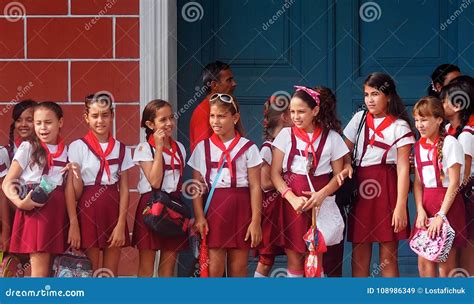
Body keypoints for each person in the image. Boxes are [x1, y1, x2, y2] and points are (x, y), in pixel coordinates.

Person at [340, 73, 414, 277]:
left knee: (388, 258)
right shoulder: (359, 119)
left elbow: (402, 168)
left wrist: (400, 206)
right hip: (361, 190)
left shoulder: (400, 126)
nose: (369, 100)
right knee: (359, 255)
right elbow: (343, 151)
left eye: (375, 94)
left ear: (388, 96)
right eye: (366, 94)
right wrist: (347, 165)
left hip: (388, 188)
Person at [271, 86, 348, 277]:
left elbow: (339, 178)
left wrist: (322, 194)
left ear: (315, 111)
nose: (296, 117)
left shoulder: (332, 138)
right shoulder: (285, 136)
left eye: (301, 112)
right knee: (295, 257)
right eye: (292, 112)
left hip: (320, 204)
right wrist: (292, 198)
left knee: (315, 255)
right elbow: (274, 174)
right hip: (293, 204)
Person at [189, 93, 262, 277]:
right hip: (214, 210)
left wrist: (255, 221)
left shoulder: (248, 147)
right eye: (212, 116)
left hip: (241, 209)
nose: (215, 121)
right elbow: (196, 187)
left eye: (221, 116)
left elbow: (255, 187)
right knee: (214, 269)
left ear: (235, 118)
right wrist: (199, 217)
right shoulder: (202, 148)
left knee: (238, 270)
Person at [2, 102, 76, 277]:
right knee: (39, 271)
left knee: (53, 270)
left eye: (48, 122)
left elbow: (69, 190)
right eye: (38, 123)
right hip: (36, 211)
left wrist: (73, 222)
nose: (43, 128)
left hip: (58, 213)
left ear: (61, 122)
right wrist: (21, 203)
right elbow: (7, 182)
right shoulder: (28, 147)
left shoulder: (67, 151)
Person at [68, 93, 134, 276]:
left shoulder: (121, 148)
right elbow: (72, 191)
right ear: (86, 117)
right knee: (92, 271)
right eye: (95, 115)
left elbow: (125, 189)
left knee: (109, 273)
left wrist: (121, 224)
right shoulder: (77, 147)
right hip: (88, 209)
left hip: (113, 210)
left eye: (105, 115)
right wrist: (74, 224)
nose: (100, 120)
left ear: (112, 115)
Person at [132, 99, 188, 277]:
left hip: (173, 206)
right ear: (150, 124)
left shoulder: (180, 147)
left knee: (168, 267)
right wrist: (158, 147)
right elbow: (155, 182)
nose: (169, 123)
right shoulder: (144, 148)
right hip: (151, 205)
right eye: (163, 120)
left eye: (171, 118)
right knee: (147, 267)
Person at [412, 96, 466, 277]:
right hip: (426, 206)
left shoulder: (451, 143)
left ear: (439, 119)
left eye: (424, 119)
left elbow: (454, 184)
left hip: (447, 207)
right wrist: (419, 210)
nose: (419, 125)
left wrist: (441, 216)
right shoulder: (418, 146)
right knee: (424, 263)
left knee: (445, 264)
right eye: (417, 120)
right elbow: (418, 183)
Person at [189, 61, 237, 151]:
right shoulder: (202, 112)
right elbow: (203, 153)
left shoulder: (230, 107)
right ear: (214, 85)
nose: (234, 83)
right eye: (229, 80)